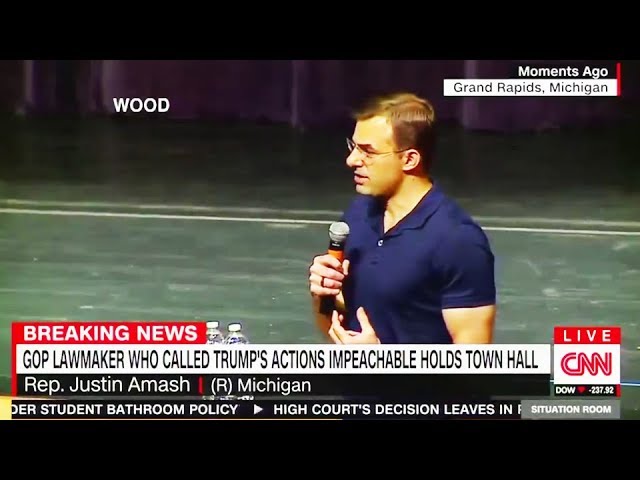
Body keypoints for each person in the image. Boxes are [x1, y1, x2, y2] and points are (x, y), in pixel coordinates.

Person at [308, 92, 497, 344]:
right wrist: (324, 296)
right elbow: (339, 330)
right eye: (353, 147)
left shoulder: (457, 240)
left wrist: (381, 360)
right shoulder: (359, 214)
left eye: (368, 151)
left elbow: (474, 359)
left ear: (409, 159)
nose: (351, 160)